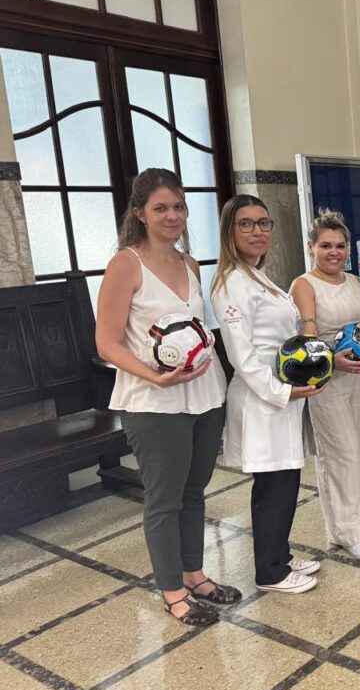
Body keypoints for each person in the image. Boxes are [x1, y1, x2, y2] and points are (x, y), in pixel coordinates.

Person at [96, 168, 234, 627]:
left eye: (178, 206)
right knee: (164, 498)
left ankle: (194, 574)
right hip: (153, 404)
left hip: (203, 394)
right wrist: (153, 377)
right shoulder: (125, 265)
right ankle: (172, 590)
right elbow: (108, 343)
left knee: (194, 491)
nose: (172, 215)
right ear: (140, 213)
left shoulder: (191, 264)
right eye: (160, 208)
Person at [211, 195, 322, 594]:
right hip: (263, 398)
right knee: (274, 485)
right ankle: (269, 572)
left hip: (282, 394)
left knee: (286, 480)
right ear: (230, 231)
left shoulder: (259, 275)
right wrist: (281, 391)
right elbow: (241, 355)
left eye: (263, 223)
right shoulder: (231, 284)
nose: (257, 232)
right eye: (246, 224)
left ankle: (280, 554)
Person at [290, 211, 360, 560]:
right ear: (310, 247)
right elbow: (306, 342)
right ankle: (346, 531)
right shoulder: (304, 284)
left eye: (340, 245)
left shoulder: (356, 282)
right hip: (326, 379)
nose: (334, 252)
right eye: (325, 245)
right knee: (339, 454)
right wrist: (332, 359)